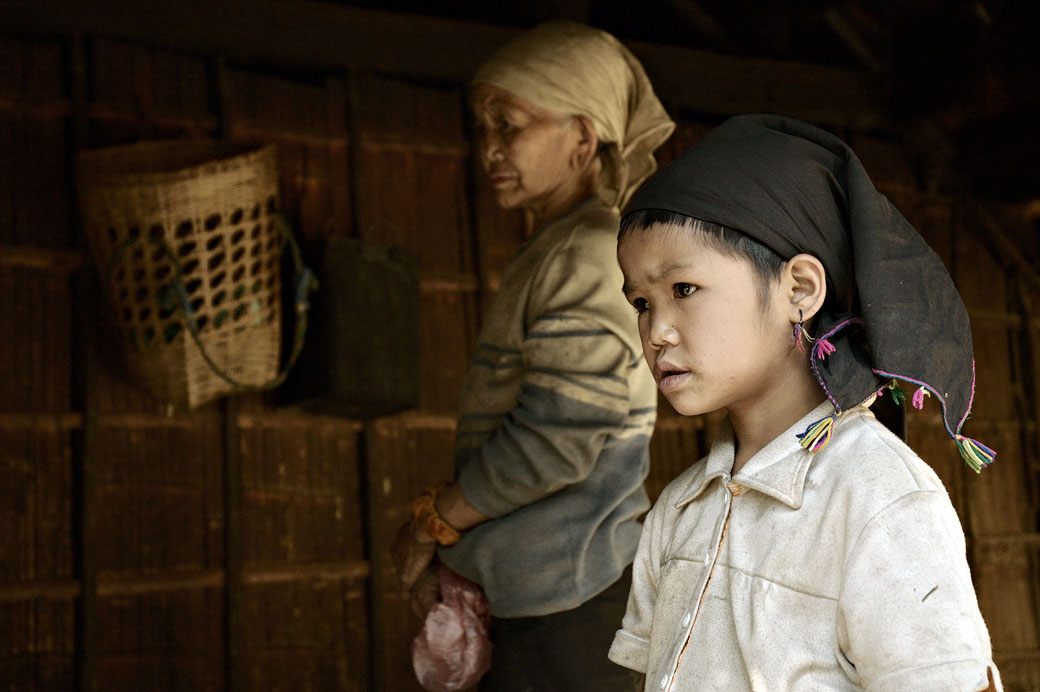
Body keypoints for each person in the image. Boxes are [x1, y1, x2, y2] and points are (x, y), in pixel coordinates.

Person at [608, 114, 1002, 691]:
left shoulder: (880, 499)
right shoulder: (680, 509)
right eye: (642, 303)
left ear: (799, 290)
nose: (658, 330)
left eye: (683, 290)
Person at [391, 21, 675, 691]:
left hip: (571, 605)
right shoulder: (558, 247)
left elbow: (557, 440)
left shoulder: (583, 254)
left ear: (583, 137)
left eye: (509, 124)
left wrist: (438, 522)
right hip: (551, 597)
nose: (488, 147)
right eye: (482, 126)